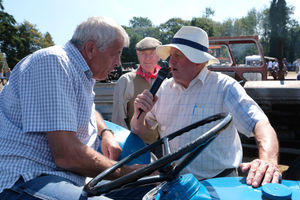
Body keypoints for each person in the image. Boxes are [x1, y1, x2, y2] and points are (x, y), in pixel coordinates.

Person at [0, 16, 155, 200]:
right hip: (27, 178)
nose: (118, 63)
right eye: (116, 53)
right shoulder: (53, 62)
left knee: (155, 188)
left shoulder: (82, 74)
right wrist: (126, 172)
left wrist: (105, 132)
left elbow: (90, 111)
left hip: (66, 177)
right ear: (91, 49)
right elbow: (66, 155)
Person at [131, 26, 281, 188]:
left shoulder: (224, 87)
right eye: (170, 55)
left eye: (178, 55)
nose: (170, 61)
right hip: (175, 183)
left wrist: (268, 161)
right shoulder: (163, 89)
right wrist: (139, 114)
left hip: (219, 183)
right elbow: (142, 129)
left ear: (199, 61)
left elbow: (260, 124)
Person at [112, 37, 162, 147]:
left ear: (159, 56)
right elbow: (118, 120)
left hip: (161, 146)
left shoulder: (166, 82)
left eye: (152, 53)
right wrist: (126, 147)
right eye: (143, 53)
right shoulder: (126, 81)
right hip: (134, 147)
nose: (147, 58)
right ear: (137, 55)